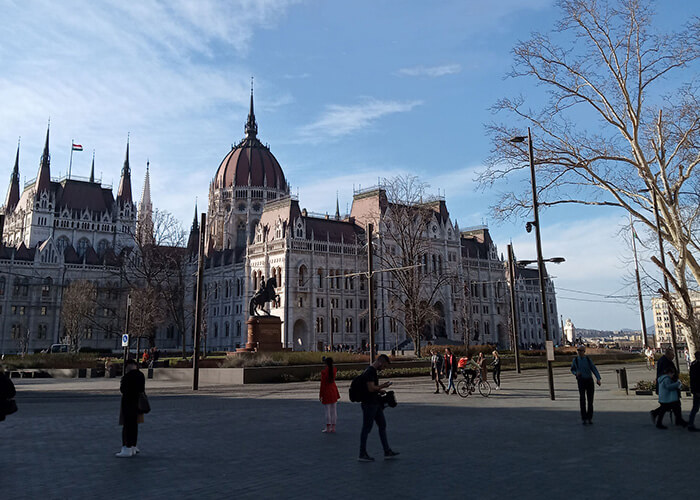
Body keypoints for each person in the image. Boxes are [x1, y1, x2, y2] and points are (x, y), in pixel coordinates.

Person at [358, 354, 399, 462]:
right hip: (369, 404)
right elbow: (371, 388)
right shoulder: (370, 371)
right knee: (366, 428)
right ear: (380, 362)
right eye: (384, 366)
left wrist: (380, 390)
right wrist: (383, 386)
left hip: (375, 403)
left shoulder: (372, 371)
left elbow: (372, 388)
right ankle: (362, 453)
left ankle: (387, 450)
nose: (384, 368)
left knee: (382, 425)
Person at [116, 359, 146, 458]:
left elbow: (123, 390)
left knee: (127, 425)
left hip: (128, 403)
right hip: (138, 403)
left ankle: (127, 448)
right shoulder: (141, 375)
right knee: (134, 425)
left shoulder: (127, 377)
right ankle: (133, 446)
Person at [570, 345, 601, 425]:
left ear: (584, 351)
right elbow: (572, 369)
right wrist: (575, 373)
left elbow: (593, 368)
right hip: (581, 381)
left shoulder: (587, 359)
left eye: (581, 351)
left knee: (590, 401)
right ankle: (584, 418)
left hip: (589, 380)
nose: (579, 352)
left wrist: (598, 378)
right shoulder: (576, 360)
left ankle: (590, 417)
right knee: (582, 400)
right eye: (578, 350)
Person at [651, 348, 678, 423]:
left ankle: (678, 419)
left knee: (671, 405)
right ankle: (656, 416)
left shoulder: (664, 360)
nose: (673, 357)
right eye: (672, 355)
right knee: (667, 405)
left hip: (665, 387)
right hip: (666, 388)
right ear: (668, 354)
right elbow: (666, 374)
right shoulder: (665, 362)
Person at [319, 357, 340, 433]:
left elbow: (322, 385)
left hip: (326, 391)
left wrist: (320, 395)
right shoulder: (334, 370)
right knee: (334, 410)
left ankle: (328, 427)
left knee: (327, 411)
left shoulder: (324, 372)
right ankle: (333, 427)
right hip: (333, 390)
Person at [688, 351, 700, 432]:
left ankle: (690, 424)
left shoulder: (693, 364)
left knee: (695, 408)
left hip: (696, 390)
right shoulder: (697, 366)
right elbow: (696, 380)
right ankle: (690, 424)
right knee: (695, 408)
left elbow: (692, 379)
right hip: (698, 390)